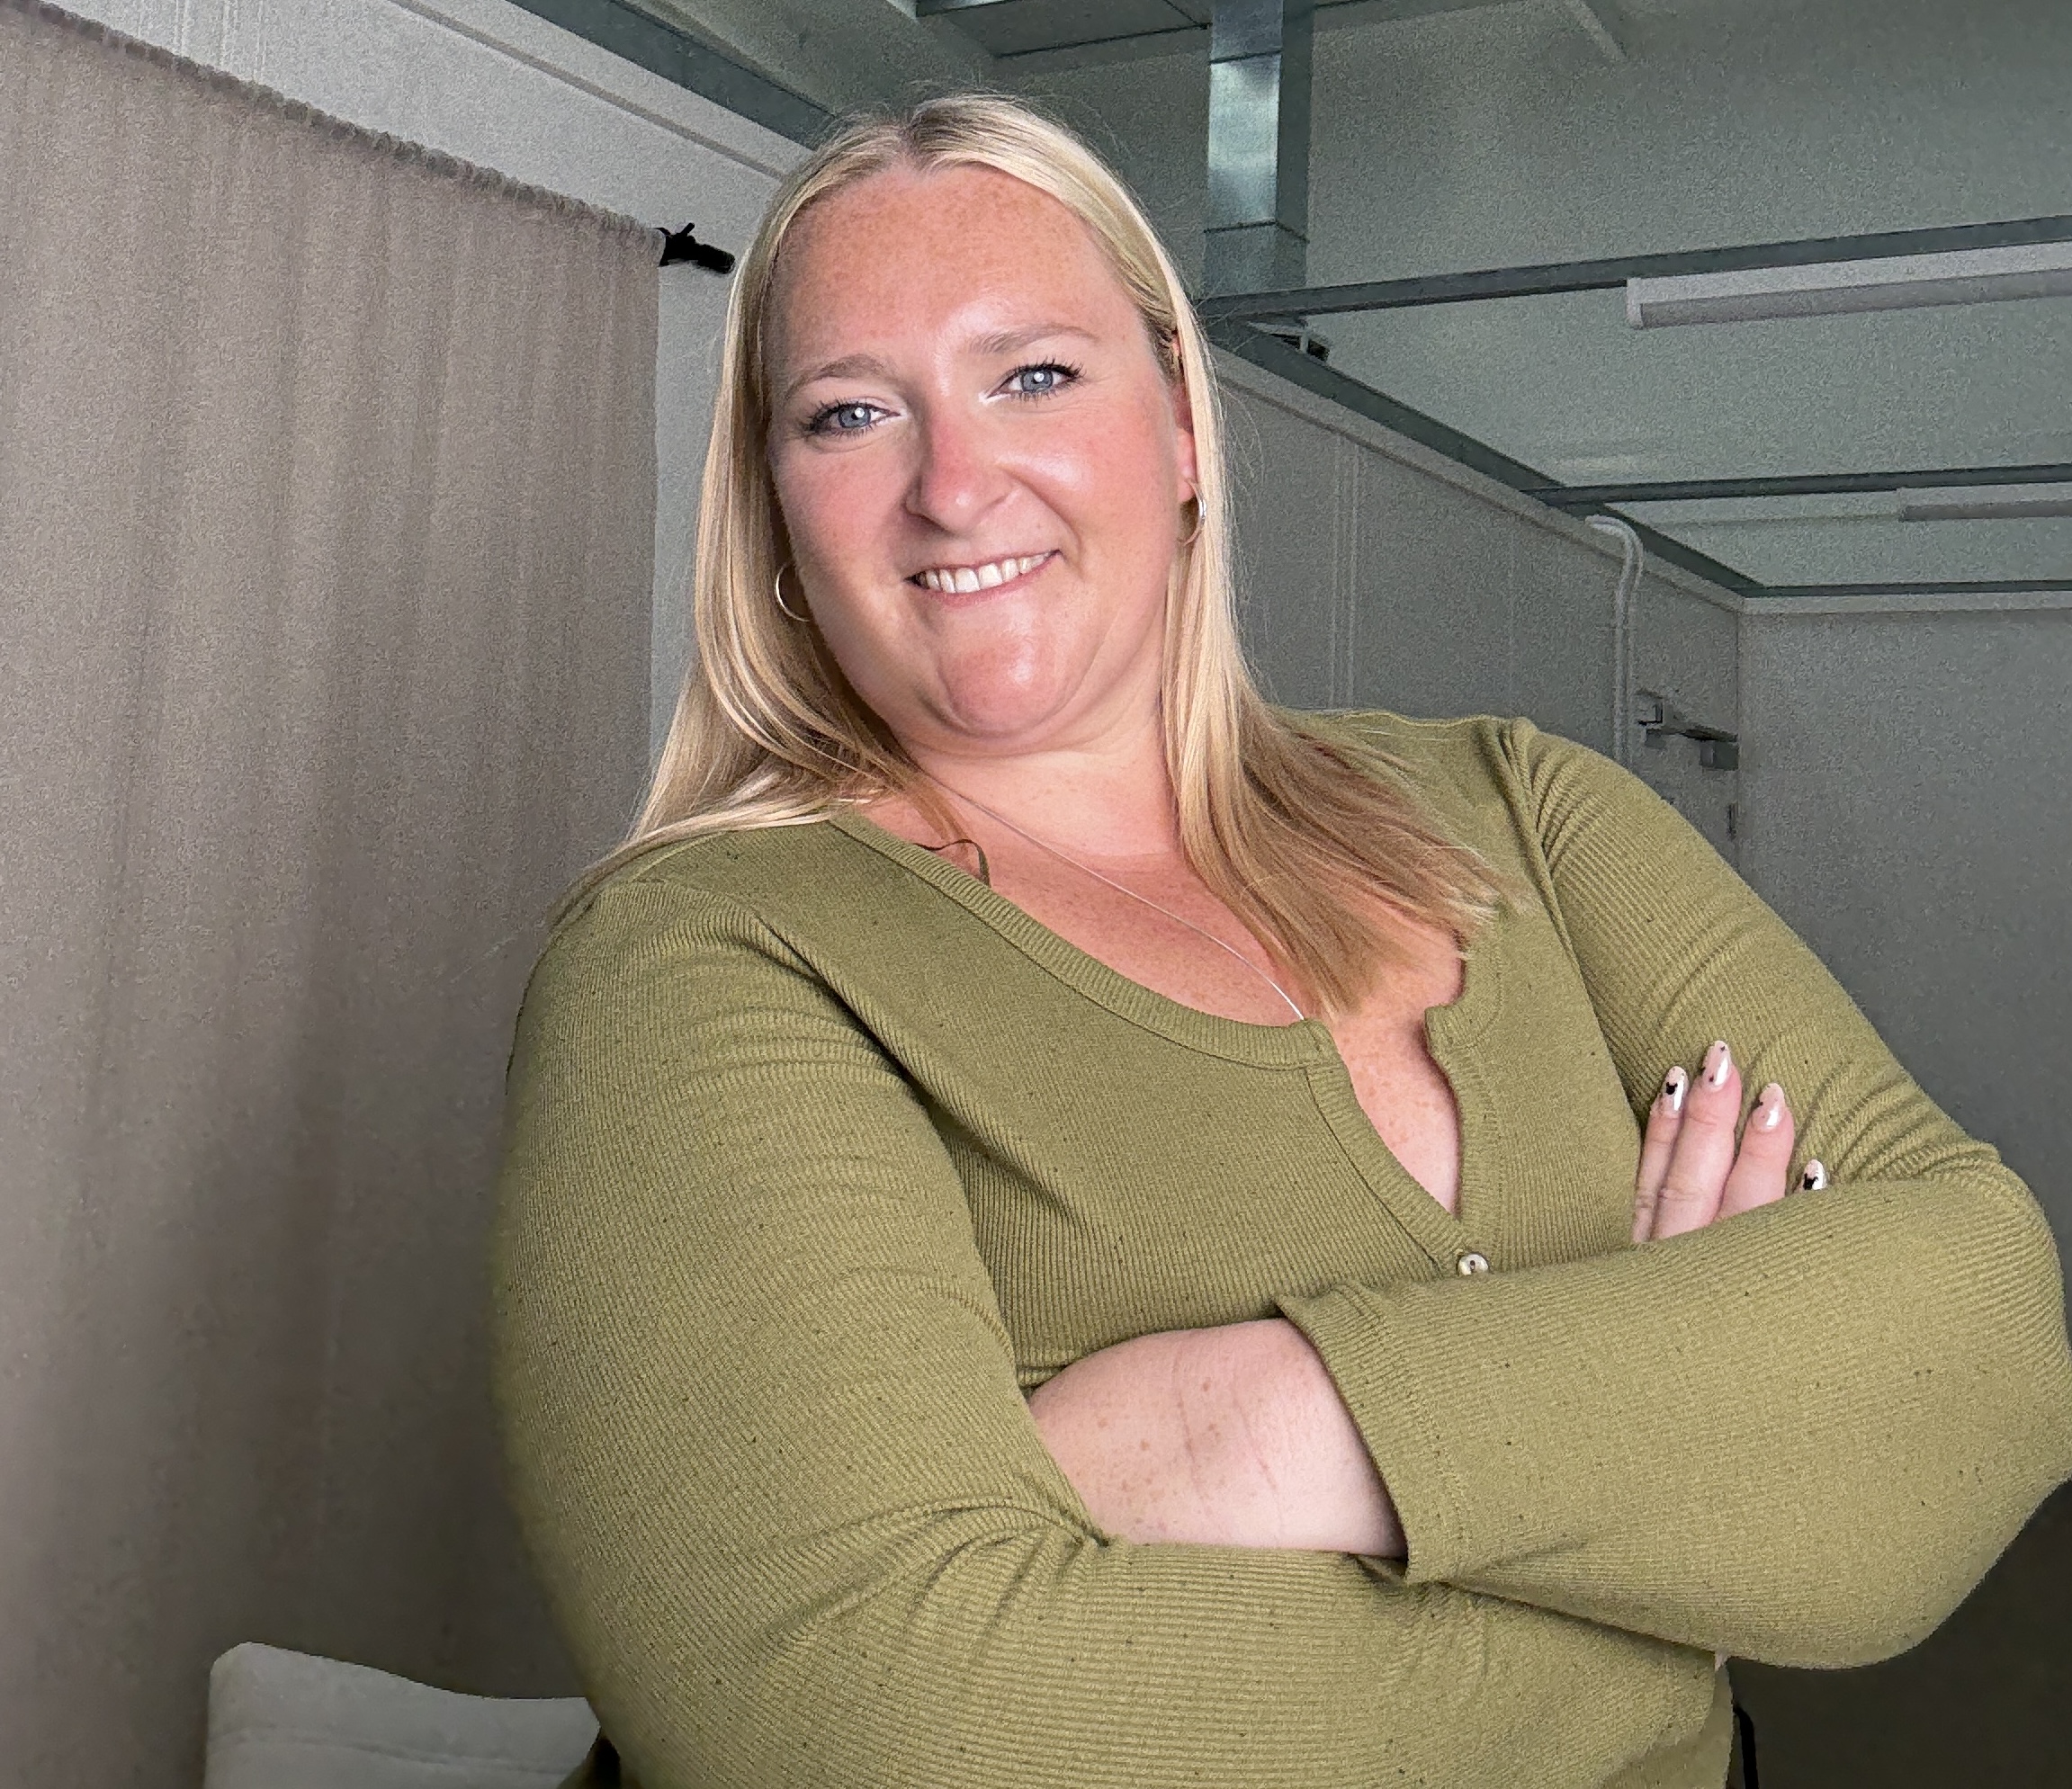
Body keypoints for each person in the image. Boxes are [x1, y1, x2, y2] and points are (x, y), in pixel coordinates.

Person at [489, 94, 2072, 1789]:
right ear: (774, 510)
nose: (952, 485)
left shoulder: (1524, 809)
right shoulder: (700, 962)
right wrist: (1675, 1521)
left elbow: (1989, 1338)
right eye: (851, 413)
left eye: (1035, 374)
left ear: (1181, 425)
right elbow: (887, 1725)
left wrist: (1244, 1427)